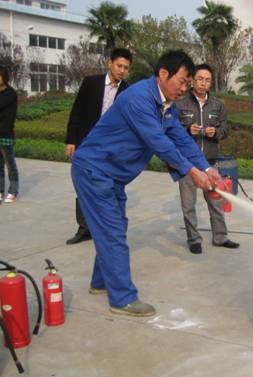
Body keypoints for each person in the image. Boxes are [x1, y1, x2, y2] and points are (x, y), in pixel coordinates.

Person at [71, 51, 220, 317]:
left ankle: (100, 282)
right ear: (163, 74)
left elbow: (181, 139)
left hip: (112, 175)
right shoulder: (139, 99)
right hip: (94, 171)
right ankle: (122, 299)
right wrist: (191, 171)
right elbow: (159, 143)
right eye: (182, 81)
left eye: (188, 83)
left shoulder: (165, 105)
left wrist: (207, 167)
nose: (184, 88)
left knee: (115, 228)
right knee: (113, 231)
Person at [65, 48, 132, 244]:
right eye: (119, 66)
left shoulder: (128, 91)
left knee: (110, 186)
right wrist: (71, 140)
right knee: (83, 185)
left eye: (126, 68)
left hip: (111, 148)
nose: (122, 70)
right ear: (109, 63)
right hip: (87, 143)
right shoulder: (91, 83)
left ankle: (106, 227)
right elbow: (77, 111)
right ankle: (84, 228)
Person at [175, 64, 239, 254]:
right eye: (200, 79)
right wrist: (188, 130)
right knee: (188, 205)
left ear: (211, 83)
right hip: (188, 165)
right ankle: (194, 240)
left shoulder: (218, 105)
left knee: (216, 203)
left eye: (207, 80)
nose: (203, 83)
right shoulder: (180, 105)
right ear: (192, 81)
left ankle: (220, 237)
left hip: (210, 163)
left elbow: (225, 129)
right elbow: (171, 130)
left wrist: (216, 132)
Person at [0, 66, 18, 204]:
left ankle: (13, 190)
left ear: (4, 77)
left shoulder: (10, 93)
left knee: (9, 164)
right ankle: (0, 191)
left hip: (5, 134)